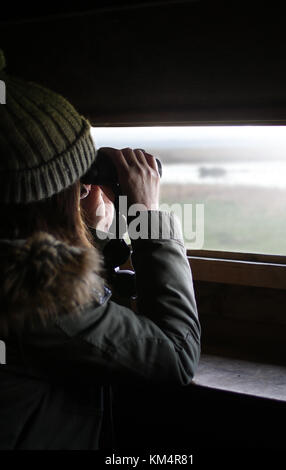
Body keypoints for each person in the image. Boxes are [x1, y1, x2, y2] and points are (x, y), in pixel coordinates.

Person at [0, 50, 201, 450]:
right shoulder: (33, 298)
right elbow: (176, 356)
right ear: (46, 196)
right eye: (73, 178)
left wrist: (88, 231)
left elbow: (84, 306)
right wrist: (146, 216)